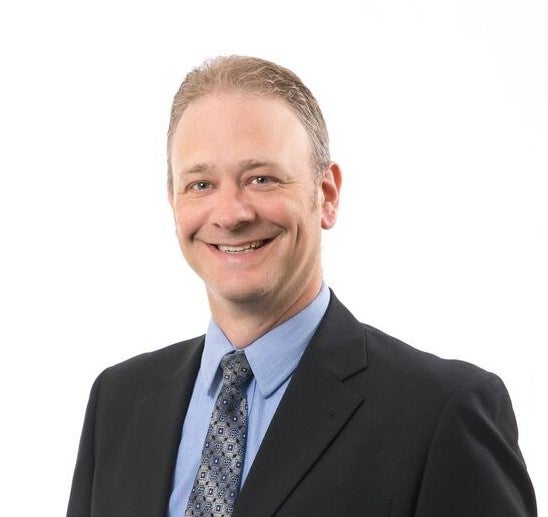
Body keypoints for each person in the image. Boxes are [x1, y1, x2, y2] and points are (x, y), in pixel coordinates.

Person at [67, 56, 536, 517]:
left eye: (261, 178)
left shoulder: (442, 413)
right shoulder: (118, 401)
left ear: (326, 195)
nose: (231, 214)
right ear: (174, 203)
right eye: (201, 184)